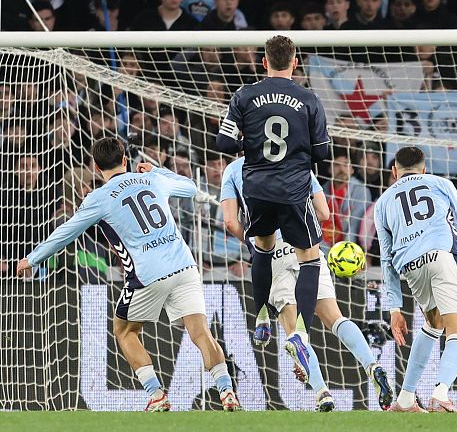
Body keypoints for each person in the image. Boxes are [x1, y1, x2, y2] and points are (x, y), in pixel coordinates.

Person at [15, 137, 241, 412]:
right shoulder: (153, 180)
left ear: (97, 167)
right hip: (185, 266)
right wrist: (157, 170)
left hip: (148, 274)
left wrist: (33, 258)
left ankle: (156, 394)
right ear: (125, 160)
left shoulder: (98, 198)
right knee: (201, 332)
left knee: (124, 331)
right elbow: (191, 187)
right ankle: (227, 391)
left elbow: (67, 232)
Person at [219, 157, 393, 412]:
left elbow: (230, 222)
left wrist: (255, 245)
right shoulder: (297, 161)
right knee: (335, 318)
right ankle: (372, 365)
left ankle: (322, 393)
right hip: (306, 244)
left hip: (271, 249)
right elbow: (323, 213)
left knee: (294, 331)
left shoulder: (234, 169)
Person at [215, 35, 331, 383]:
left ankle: (262, 312)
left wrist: (250, 143)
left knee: (263, 247)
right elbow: (322, 152)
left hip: (257, 187)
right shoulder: (309, 98)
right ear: (295, 62)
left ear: (263, 62)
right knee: (309, 257)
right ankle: (300, 332)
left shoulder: (244, 96)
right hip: (294, 189)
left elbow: (223, 142)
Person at [375, 146, 457, 413]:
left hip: (411, 267)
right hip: (442, 257)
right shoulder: (441, 183)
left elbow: (386, 259)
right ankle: (441, 393)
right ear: (424, 169)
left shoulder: (382, 202)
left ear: (394, 172)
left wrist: (395, 308)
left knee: (434, 322)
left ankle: (405, 399)